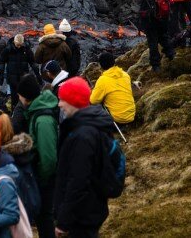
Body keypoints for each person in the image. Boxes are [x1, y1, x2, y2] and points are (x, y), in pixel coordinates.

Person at [54, 77, 115, 238]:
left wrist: (64, 220)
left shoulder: (82, 136)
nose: (59, 104)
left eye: (62, 100)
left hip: (82, 214)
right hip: (90, 208)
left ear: (73, 101)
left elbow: (78, 181)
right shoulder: (91, 125)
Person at [17, 73, 60, 238]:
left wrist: (41, 178)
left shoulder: (43, 120)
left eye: (20, 95)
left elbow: (49, 158)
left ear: (26, 97)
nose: (18, 99)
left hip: (46, 179)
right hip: (44, 176)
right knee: (43, 215)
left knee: (44, 216)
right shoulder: (37, 109)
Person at [132, 0, 174, 71]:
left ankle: (156, 65)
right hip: (164, 13)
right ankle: (171, 54)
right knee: (164, 35)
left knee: (152, 40)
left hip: (149, 15)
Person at [89, 52, 136, 125]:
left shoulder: (103, 80)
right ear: (114, 62)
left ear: (101, 65)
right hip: (131, 115)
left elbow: (93, 101)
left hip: (118, 118)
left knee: (95, 106)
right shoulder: (125, 75)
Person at [1, 33, 39, 110]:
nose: (18, 47)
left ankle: (23, 111)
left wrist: (38, 75)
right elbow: (1, 61)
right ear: (14, 42)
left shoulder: (26, 49)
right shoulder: (8, 49)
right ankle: (14, 112)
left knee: (24, 97)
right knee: (14, 97)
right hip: (12, 78)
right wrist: (1, 75)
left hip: (23, 78)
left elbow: (32, 62)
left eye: (20, 45)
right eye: (17, 45)